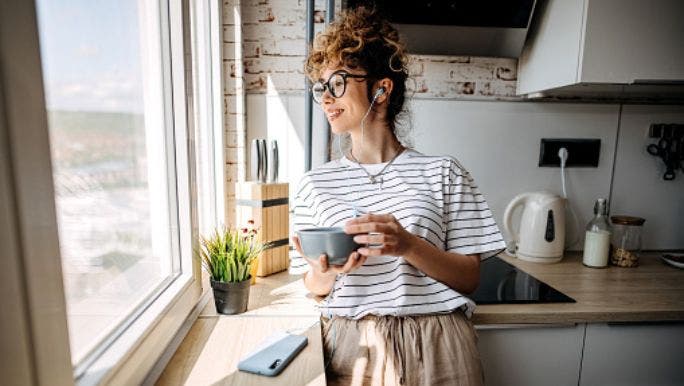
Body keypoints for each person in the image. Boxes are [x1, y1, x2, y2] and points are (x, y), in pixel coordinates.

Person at [291, 7, 506, 386]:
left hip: (441, 342)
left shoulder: (444, 172)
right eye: (321, 88)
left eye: (337, 83)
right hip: (353, 343)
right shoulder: (314, 183)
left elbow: (470, 277)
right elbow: (313, 288)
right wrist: (324, 272)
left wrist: (408, 244)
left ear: (381, 88)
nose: (326, 98)